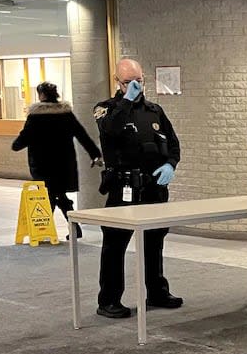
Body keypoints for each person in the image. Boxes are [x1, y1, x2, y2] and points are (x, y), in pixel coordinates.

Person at [94, 59, 182, 319]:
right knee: (115, 245)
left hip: (153, 188)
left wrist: (170, 165)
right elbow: (109, 131)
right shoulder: (106, 109)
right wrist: (126, 101)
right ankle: (108, 300)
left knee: (154, 243)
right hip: (123, 189)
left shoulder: (155, 110)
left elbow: (174, 144)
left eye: (139, 81)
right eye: (128, 82)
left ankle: (157, 291)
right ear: (117, 82)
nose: (135, 85)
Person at [12, 81, 102, 239]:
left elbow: (25, 137)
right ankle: (69, 229)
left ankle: (44, 230)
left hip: (42, 165)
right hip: (63, 165)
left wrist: (16, 145)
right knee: (56, 195)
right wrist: (94, 154)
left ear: (41, 95)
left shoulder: (35, 117)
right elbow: (82, 135)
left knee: (50, 196)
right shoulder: (65, 114)